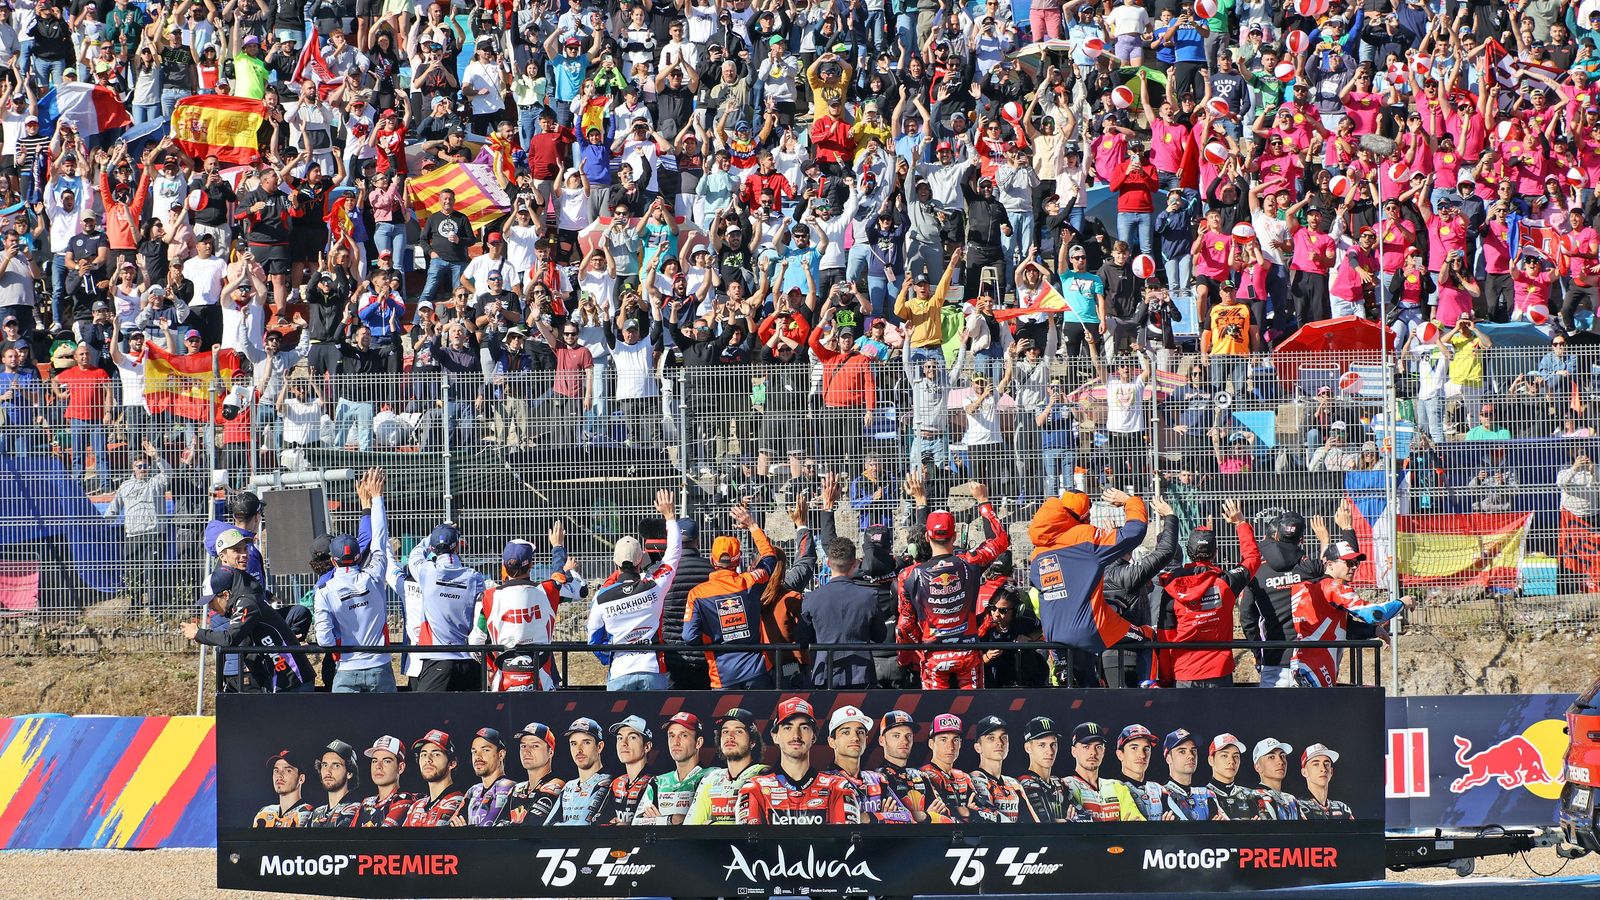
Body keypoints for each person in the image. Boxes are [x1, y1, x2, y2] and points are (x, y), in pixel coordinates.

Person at [1027, 489, 1153, 678]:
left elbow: (1043, 585)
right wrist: (1130, 501)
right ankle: (1148, 693)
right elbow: (1134, 532)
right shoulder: (1085, 536)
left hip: (1055, 635)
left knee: (1080, 688)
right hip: (1091, 629)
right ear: (1085, 514)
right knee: (1148, 636)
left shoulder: (1037, 552)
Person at [895, 480, 1009, 689]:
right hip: (968, 653)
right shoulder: (970, 562)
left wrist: (911, 653)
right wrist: (983, 501)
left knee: (936, 715)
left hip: (934, 656)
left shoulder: (908, 575)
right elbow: (1000, 540)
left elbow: (905, 626)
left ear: (927, 537)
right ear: (955, 536)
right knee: (973, 713)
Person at [1241, 505, 1356, 688]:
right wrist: (1344, 530)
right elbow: (1343, 571)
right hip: (1308, 661)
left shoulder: (1257, 572)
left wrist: (1258, 653)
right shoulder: (1308, 568)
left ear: (1275, 536)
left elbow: (1247, 619)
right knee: (1308, 716)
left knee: (1270, 716)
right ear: (1302, 540)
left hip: (1273, 661)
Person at [1154, 498, 1260, 687]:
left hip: (1184, 672)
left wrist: (1166, 679)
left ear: (1188, 552)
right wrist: (1240, 523)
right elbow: (1252, 559)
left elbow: (1165, 638)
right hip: (1219, 670)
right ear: (1216, 553)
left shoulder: (1172, 587)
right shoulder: (1227, 582)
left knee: (1185, 718)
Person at [183, 536, 310, 693]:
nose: (211, 608)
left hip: (293, 681)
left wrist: (197, 633)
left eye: (211, 602)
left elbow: (229, 638)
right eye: (237, 550)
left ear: (226, 595)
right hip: (284, 680)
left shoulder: (247, 602)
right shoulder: (244, 597)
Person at [472, 525, 585, 691]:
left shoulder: (489, 597)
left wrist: (491, 666)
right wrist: (562, 556)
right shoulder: (548, 591)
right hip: (542, 682)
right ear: (531, 564)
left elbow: (475, 642)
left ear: (504, 565)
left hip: (503, 684)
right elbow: (581, 589)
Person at [1289, 540, 1414, 687]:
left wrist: (1373, 630)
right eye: (1348, 563)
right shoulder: (1334, 586)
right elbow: (1374, 614)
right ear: (1329, 564)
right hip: (1317, 664)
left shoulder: (1304, 586)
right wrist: (1402, 603)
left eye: (1356, 563)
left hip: (1301, 662)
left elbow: (1335, 627)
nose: (1354, 567)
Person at [313, 468, 393, 693]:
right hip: (380, 666)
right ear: (358, 557)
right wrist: (376, 499)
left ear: (333, 561)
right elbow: (378, 538)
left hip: (346, 668)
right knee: (389, 727)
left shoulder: (324, 590)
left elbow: (325, 640)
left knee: (343, 729)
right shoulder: (374, 575)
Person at [684, 502, 779, 689]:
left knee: (726, 719)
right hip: (757, 669)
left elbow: (689, 637)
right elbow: (770, 557)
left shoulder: (697, 594)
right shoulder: (750, 581)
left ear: (712, 559)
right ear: (739, 560)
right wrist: (752, 525)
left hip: (722, 673)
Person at [736, 698, 859, 825]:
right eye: (788, 728)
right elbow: (748, 844)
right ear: (775, 736)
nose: (796, 736)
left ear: (814, 737)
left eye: (804, 727)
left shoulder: (837, 787)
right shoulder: (755, 789)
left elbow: (846, 842)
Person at [797, 535, 889, 688]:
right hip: (861, 674)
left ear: (828, 562)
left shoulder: (811, 598)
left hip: (824, 675)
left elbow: (802, 639)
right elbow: (880, 636)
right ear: (855, 564)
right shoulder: (869, 596)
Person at [405, 523, 487, 691]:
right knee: (474, 717)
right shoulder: (474, 577)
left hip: (437, 660)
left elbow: (415, 554)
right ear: (457, 546)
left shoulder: (426, 571)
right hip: (469, 660)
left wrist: (433, 535)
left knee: (424, 715)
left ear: (432, 548)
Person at [101, 440, 170, 613]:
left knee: (152, 572)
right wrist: (99, 527)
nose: (142, 468)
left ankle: (155, 608)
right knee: (133, 573)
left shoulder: (156, 482)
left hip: (154, 533)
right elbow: (113, 510)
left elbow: (169, 474)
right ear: (133, 468)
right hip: (132, 535)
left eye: (145, 465)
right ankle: (135, 605)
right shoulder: (125, 486)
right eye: (138, 466)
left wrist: (157, 457)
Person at [822, 705, 912, 824]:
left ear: (866, 739)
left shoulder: (877, 779)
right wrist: (885, 817)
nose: (855, 738)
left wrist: (868, 817)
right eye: (846, 732)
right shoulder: (823, 783)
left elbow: (908, 818)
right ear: (832, 741)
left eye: (860, 732)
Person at [685, 708, 770, 825]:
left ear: (753, 741)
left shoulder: (764, 775)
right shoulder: (711, 778)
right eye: (725, 731)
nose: (730, 737)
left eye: (738, 731)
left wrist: (711, 824)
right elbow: (691, 828)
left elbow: (753, 831)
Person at [1063, 722, 1145, 821]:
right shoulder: (1064, 786)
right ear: (1074, 751)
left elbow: (1136, 826)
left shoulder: (1118, 786)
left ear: (1104, 751)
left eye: (1098, 747)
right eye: (1086, 747)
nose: (1093, 752)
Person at [544, 718, 613, 826]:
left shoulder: (608, 782)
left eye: (586, 742)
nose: (579, 750)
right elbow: (547, 826)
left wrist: (557, 827)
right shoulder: (569, 786)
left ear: (599, 747)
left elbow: (583, 827)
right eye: (573, 744)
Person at [969, 716, 1032, 823]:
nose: (999, 742)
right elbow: (991, 820)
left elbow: (1032, 823)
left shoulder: (1014, 783)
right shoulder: (972, 779)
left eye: (1004, 737)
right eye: (991, 738)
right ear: (978, 747)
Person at [499, 723, 565, 826]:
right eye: (523, 746)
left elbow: (530, 826)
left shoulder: (555, 785)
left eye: (535, 746)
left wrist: (507, 825)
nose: (527, 751)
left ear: (550, 752)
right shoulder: (516, 788)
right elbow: (495, 828)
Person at [918, 713, 976, 823]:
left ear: (960, 744)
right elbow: (943, 814)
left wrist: (969, 813)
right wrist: (969, 813)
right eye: (943, 739)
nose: (950, 746)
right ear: (931, 744)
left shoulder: (964, 777)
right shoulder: (922, 775)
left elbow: (986, 812)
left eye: (955, 740)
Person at [451, 728, 516, 827]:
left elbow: (488, 827)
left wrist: (465, 834)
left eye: (485, 750)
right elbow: (451, 827)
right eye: (474, 751)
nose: (478, 756)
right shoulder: (473, 791)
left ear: (501, 754)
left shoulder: (509, 787)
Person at [652, 712, 708, 825]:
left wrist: (660, 820)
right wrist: (672, 820)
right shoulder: (657, 781)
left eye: (684, 735)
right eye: (671, 735)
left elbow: (712, 822)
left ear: (698, 742)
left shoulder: (713, 776)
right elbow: (637, 823)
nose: (675, 742)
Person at [604, 716, 662, 825]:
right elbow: (600, 821)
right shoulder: (616, 783)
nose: (623, 743)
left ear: (647, 746)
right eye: (620, 738)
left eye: (632, 737)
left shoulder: (659, 783)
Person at [402, 729, 465, 827]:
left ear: (452, 764)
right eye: (423, 755)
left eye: (436, 754)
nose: (428, 759)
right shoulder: (415, 807)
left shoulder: (462, 803)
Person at [1016, 717, 1073, 823]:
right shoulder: (1024, 783)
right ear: (1028, 748)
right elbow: (1044, 824)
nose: (1050, 751)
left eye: (1053, 744)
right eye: (1042, 745)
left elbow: (1086, 817)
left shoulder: (1059, 782)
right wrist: (1070, 821)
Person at [354, 736, 419, 827]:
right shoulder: (366, 802)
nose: (378, 766)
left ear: (400, 768)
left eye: (386, 761)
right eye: (374, 761)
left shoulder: (404, 800)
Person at [1159, 729, 1223, 820]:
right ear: (1168, 758)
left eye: (1193, 750)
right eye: (1182, 751)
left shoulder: (1207, 795)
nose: (1191, 756)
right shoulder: (1159, 795)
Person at [1207, 733, 1268, 820]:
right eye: (1224, 755)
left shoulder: (1253, 796)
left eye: (1236, 756)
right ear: (1211, 760)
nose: (1231, 761)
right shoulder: (1201, 797)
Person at [1115, 723, 1166, 820]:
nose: (1142, 755)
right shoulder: (1110, 790)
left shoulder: (1159, 790)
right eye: (1134, 748)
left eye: (1146, 749)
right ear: (1120, 754)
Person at [306, 741, 362, 828]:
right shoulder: (316, 813)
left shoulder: (358, 810)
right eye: (325, 765)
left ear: (349, 773)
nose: (328, 772)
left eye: (336, 766)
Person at [255, 749, 313, 827]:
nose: (279, 775)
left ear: (301, 779)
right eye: (276, 771)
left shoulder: (309, 815)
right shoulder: (263, 813)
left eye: (288, 770)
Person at [1298, 743, 1354, 820]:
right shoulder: (1298, 807)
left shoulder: (1342, 808)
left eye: (1326, 764)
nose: (1323, 769)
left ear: (1331, 772)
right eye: (1316, 764)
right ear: (1304, 772)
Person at [1252, 737, 1301, 820]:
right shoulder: (1252, 798)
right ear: (1258, 767)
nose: (1281, 762)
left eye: (1282, 756)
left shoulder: (1291, 799)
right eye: (1271, 757)